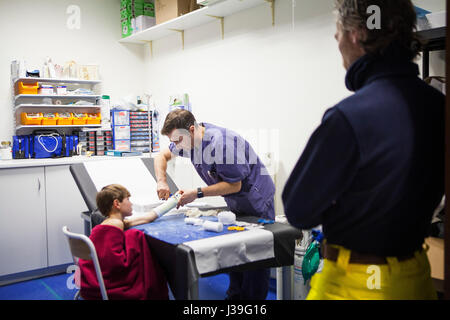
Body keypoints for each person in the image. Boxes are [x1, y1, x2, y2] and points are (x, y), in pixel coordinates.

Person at [282, 0, 444, 300]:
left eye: (338, 30)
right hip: (415, 277)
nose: (336, 38)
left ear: (357, 34)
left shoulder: (350, 116)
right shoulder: (437, 106)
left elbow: (298, 209)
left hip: (357, 283)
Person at [154, 109, 275, 300]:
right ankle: (235, 296)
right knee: (237, 248)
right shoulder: (188, 141)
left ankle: (253, 301)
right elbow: (162, 155)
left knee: (256, 254)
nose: (176, 145)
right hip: (236, 200)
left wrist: (197, 193)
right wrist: (161, 180)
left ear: (191, 129)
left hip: (256, 198)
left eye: (177, 140)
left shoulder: (221, 144)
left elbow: (235, 185)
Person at [78, 184, 169, 300]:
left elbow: (148, 217)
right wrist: (134, 237)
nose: (131, 204)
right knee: (135, 234)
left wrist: (174, 201)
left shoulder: (114, 221)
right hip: (105, 284)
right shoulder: (116, 224)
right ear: (117, 204)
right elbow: (116, 262)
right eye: (128, 199)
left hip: (88, 281)